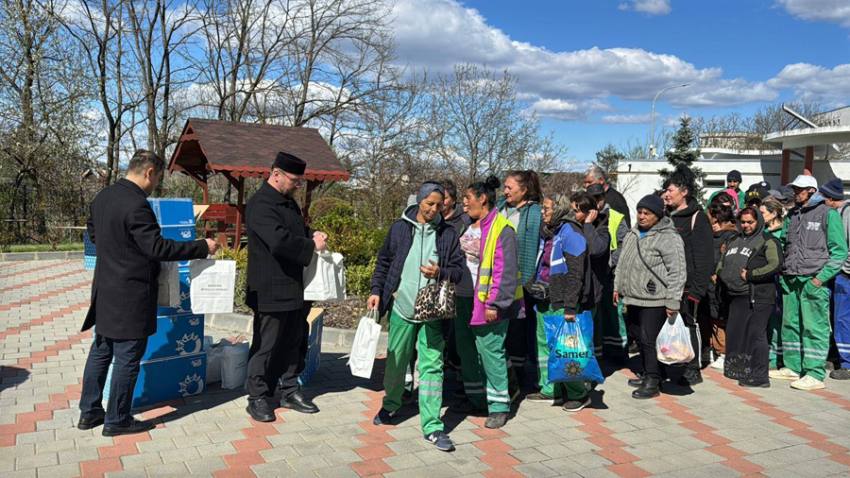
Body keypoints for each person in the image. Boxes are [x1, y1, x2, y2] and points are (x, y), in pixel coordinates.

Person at [79, 150, 217, 436]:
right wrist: (201, 246)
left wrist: (117, 250)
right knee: (128, 357)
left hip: (104, 290)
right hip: (130, 294)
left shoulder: (103, 197)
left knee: (101, 351)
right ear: (149, 172)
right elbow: (158, 248)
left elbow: (94, 233)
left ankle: (89, 412)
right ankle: (117, 420)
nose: (155, 185)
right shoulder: (136, 204)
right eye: (157, 178)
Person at [369, 181, 465, 451]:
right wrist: (377, 290)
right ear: (419, 201)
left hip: (432, 310)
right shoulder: (400, 228)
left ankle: (433, 425)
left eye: (439, 205)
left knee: (432, 365)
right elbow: (384, 261)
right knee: (396, 361)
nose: (434, 209)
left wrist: (441, 273)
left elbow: (459, 271)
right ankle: (391, 405)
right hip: (402, 305)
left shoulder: (447, 233)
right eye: (429, 204)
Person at [244, 152, 327, 422]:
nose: (297, 186)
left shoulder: (288, 203)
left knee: (295, 340)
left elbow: (296, 232)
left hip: (294, 285)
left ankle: (290, 389)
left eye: (300, 182)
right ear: (276, 174)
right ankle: (257, 396)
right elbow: (279, 241)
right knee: (266, 345)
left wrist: (312, 234)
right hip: (269, 287)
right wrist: (310, 246)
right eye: (294, 180)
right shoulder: (260, 205)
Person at [452, 176, 521, 428]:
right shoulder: (466, 225)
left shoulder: (501, 229)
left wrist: (495, 303)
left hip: (486, 304)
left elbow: (506, 270)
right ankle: (476, 399)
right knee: (467, 352)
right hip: (462, 300)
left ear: (482, 199)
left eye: (468, 198)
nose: (464, 202)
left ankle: (499, 406)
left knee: (491, 353)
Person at [771, 175, 848, 390]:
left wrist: (819, 279)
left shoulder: (828, 214)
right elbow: (785, 243)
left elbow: (839, 251)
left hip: (812, 280)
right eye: (795, 188)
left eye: (800, 189)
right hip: (791, 279)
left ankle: (814, 373)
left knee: (815, 327)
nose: (795, 192)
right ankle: (792, 367)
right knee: (790, 324)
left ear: (812, 191)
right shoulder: (793, 215)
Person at [614, 194, 687, 399]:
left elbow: (678, 271)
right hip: (633, 296)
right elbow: (622, 262)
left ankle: (653, 380)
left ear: (657, 215)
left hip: (656, 298)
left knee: (649, 339)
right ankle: (649, 372)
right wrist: (617, 286)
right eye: (639, 212)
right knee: (638, 335)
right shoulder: (633, 233)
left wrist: (673, 300)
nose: (642, 217)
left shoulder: (669, 237)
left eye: (647, 213)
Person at [526, 193, 593, 411]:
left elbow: (576, 275)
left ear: (560, 210)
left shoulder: (571, 234)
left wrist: (571, 307)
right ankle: (549, 388)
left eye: (547, 209)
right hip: (544, 298)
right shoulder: (549, 232)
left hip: (562, 301)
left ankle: (578, 393)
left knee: (565, 349)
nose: (543, 213)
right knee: (544, 345)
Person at [716, 207, 782, 387]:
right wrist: (721, 273)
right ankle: (740, 370)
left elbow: (775, 264)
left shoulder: (768, 241)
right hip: (735, 296)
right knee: (737, 334)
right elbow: (722, 262)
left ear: (758, 221)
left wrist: (752, 274)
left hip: (758, 296)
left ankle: (760, 376)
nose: (745, 225)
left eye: (750, 222)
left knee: (756, 335)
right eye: (743, 222)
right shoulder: (733, 239)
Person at [663, 166, 714, 383]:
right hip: (666, 284)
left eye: (670, 189)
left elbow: (704, 258)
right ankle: (668, 364)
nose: (666, 193)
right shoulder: (665, 217)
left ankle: (692, 368)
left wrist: (697, 290)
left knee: (688, 325)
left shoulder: (697, 218)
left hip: (688, 287)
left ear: (684, 191)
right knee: (668, 327)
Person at [499, 170, 543, 396]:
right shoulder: (500, 208)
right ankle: (507, 377)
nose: (505, 191)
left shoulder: (534, 212)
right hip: (498, 279)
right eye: (504, 187)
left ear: (524, 190)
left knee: (520, 332)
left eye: (509, 187)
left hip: (522, 281)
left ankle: (523, 377)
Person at [587, 183, 629, 362]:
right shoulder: (585, 216)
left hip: (610, 272)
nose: (597, 202)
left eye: (599, 198)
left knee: (614, 313)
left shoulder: (616, 217)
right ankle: (598, 352)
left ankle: (619, 351)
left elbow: (622, 244)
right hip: (593, 273)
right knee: (597, 315)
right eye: (593, 198)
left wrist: (614, 263)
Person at [819, 179, 850, 380]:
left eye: (823, 196)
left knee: (842, 319)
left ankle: (847, 363)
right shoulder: (837, 212)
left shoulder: (847, 214)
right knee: (836, 318)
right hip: (837, 274)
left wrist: (844, 269)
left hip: (844, 275)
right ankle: (838, 356)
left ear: (831, 198)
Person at [706, 204, 738, 370]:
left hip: (721, 284)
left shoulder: (730, 237)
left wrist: (717, 275)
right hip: (709, 284)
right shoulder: (713, 235)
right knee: (712, 317)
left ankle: (723, 352)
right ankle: (715, 349)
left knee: (721, 318)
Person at [759, 197, 786, 371]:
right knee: (767, 320)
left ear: (774, 213)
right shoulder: (763, 232)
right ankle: (768, 353)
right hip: (764, 281)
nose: (760, 216)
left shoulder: (783, 232)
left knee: (778, 320)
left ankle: (777, 356)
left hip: (778, 280)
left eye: (763, 213)